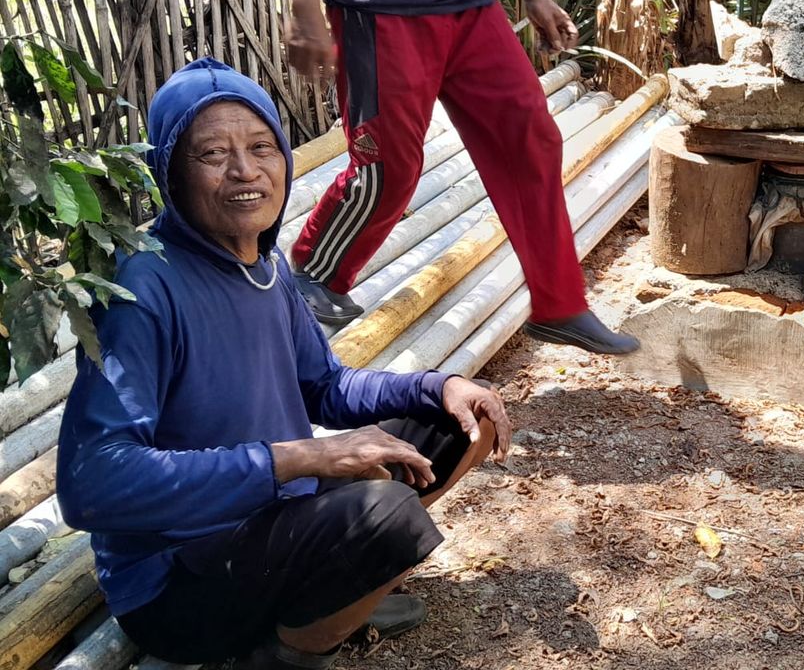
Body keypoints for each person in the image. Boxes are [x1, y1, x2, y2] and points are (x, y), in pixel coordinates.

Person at [57, 59, 514, 670]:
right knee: (388, 517)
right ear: (171, 172)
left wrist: (441, 384)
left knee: (459, 420)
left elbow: (326, 386)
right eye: (213, 153)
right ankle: (283, 653)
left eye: (261, 147)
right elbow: (93, 485)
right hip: (179, 580)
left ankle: (334, 592)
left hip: (271, 516)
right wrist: (299, 457)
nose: (245, 171)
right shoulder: (145, 287)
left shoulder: (264, 267)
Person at [278, 0, 639, 354]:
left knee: (529, 137)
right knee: (389, 169)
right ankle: (315, 271)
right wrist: (304, 1)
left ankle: (560, 305)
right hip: (378, 0)